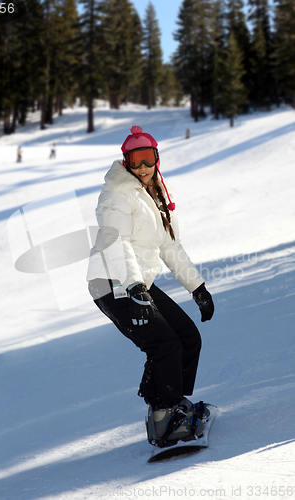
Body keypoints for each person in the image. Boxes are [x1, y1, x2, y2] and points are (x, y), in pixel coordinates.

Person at [86, 125, 214, 446]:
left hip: (138, 282)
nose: (142, 167)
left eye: (148, 159)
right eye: (135, 160)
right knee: (164, 345)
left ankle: (171, 404)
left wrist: (196, 287)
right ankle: (162, 420)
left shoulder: (153, 193)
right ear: (125, 162)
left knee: (187, 338)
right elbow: (118, 243)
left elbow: (169, 245)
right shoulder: (116, 193)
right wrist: (134, 288)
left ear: (157, 158)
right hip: (113, 283)